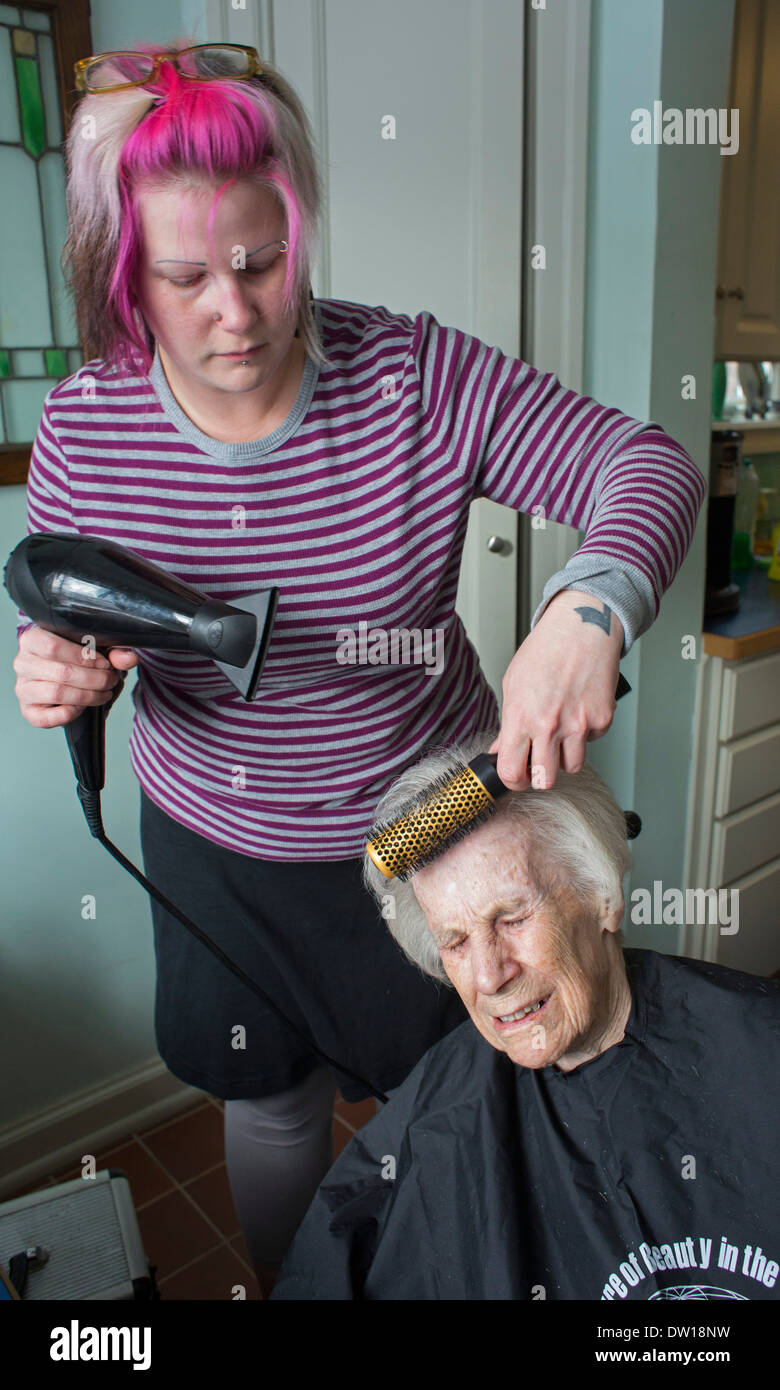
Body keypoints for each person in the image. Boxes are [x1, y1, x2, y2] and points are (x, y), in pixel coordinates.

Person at [11, 39, 706, 1295]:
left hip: (424, 830)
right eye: (185, 277)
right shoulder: (85, 429)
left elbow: (647, 463)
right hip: (212, 844)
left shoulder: (412, 379)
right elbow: (71, 621)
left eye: (263, 260)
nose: (238, 310)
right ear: (123, 278)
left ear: (299, 230)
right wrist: (66, 677)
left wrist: (588, 608)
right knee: (269, 1104)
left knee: (457, 1098)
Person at [271, 741, 780, 1301]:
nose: (489, 977)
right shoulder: (439, 1115)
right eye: (456, 942)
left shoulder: (760, 1053)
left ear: (604, 896)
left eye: (512, 918)